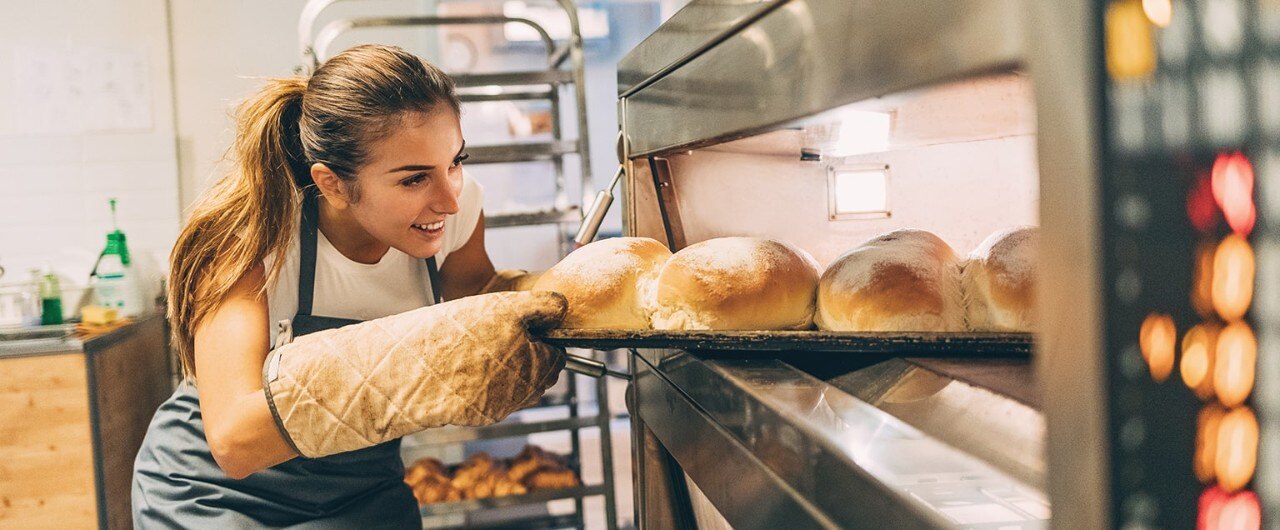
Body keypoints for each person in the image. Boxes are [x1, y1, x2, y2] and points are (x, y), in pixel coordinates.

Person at [132, 44, 566, 528]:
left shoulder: (458, 216)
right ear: (333, 184)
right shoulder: (252, 240)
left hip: (363, 487)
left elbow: (479, 310)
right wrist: (416, 373)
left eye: (455, 163)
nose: (448, 200)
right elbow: (235, 441)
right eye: (414, 180)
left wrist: (566, 297)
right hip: (218, 495)